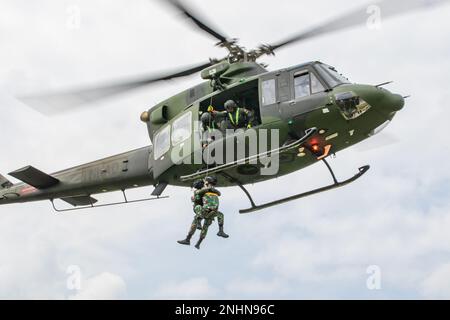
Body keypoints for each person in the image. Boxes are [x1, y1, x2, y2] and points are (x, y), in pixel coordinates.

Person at [177, 177, 229, 249]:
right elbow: (198, 198)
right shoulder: (201, 191)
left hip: (210, 211)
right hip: (205, 210)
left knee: (209, 222)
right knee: (201, 218)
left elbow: (218, 193)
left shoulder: (209, 191)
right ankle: (190, 238)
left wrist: (210, 189)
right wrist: (208, 189)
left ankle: (219, 231)